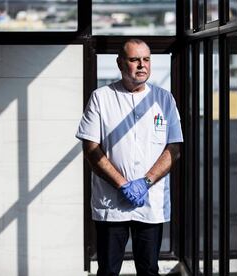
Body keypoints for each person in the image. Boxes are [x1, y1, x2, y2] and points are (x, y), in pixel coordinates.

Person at [76, 38, 183, 276]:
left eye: (146, 59)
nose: (142, 65)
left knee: (149, 270)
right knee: (108, 270)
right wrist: (123, 184)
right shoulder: (101, 97)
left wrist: (144, 182)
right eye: (134, 59)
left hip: (150, 201)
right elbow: (91, 150)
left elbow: (174, 149)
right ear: (120, 63)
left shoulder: (164, 99)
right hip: (111, 204)